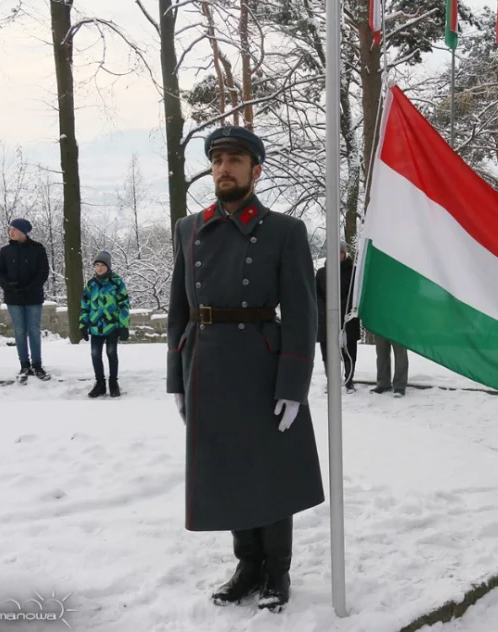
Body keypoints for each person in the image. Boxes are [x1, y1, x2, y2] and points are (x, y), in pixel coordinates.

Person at [166, 125, 324, 612]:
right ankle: (247, 564)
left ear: (256, 170)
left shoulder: (284, 231)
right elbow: (177, 308)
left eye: (235, 160)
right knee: (228, 467)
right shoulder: (188, 229)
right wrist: (177, 376)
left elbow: (302, 313)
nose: (224, 169)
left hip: (262, 364)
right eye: (217, 161)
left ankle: (277, 570)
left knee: (270, 470)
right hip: (206, 364)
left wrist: (294, 384)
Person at [0, 218, 51, 382]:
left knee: (33, 330)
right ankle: (24, 365)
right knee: (19, 331)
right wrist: (7, 286)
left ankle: (37, 365)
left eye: (14, 229)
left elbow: (43, 272)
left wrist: (30, 287)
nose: (11, 232)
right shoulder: (5, 251)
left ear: (24, 232)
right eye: (9, 229)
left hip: (33, 297)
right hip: (13, 298)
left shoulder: (38, 249)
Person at [79, 251, 130, 398]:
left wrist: (123, 325)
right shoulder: (91, 284)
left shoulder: (116, 282)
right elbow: (85, 305)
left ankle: (113, 382)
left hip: (112, 326)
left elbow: (124, 305)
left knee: (111, 353)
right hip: (95, 327)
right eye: (97, 265)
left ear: (108, 266)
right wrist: (83, 324)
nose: (99, 268)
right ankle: (99, 383)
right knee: (95, 354)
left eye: (102, 265)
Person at [315, 240, 361, 393]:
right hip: (326, 320)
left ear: (344, 254)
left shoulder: (352, 271)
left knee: (349, 351)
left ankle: (349, 380)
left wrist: (342, 306)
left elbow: (354, 294)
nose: (337, 256)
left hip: (347, 319)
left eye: (340, 253)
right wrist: (326, 308)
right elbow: (317, 295)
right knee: (328, 353)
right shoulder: (322, 273)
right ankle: (332, 380)